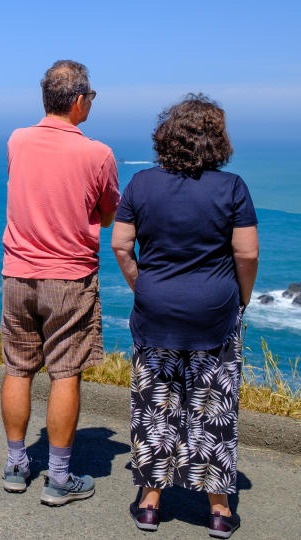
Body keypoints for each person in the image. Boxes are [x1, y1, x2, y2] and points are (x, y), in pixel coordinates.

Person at [111, 94, 258, 538]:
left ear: (166, 137)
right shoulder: (231, 188)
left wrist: (144, 286)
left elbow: (120, 244)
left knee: (156, 408)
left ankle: (151, 504)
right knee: (212, 408)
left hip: (155, 313)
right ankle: (217, 511)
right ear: (218, 141)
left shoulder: (140, 185)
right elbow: (246, 253)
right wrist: (241, 298)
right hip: (213, 314)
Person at [0, 60, 120, 506]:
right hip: (69, 277)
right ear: (79, 100)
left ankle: (16, 464)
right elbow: (109, 215)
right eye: (91, 97)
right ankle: (59, 477)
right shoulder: (98, 153)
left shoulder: (17, 140)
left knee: (18, 367)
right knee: (65, 372)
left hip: (17, 272)